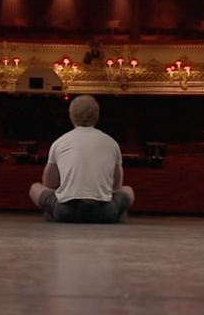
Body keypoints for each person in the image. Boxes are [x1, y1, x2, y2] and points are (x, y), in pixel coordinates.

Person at [29, 95, 134, 223]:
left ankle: (53, 213)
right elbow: (116, 187)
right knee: (128, 190)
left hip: (66, 210)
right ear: (97, 116)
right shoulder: (112, 143)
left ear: (71, 116)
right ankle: (116, 215)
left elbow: (49, 184)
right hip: (105, 211)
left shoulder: (59, 142)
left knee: (35, 188)